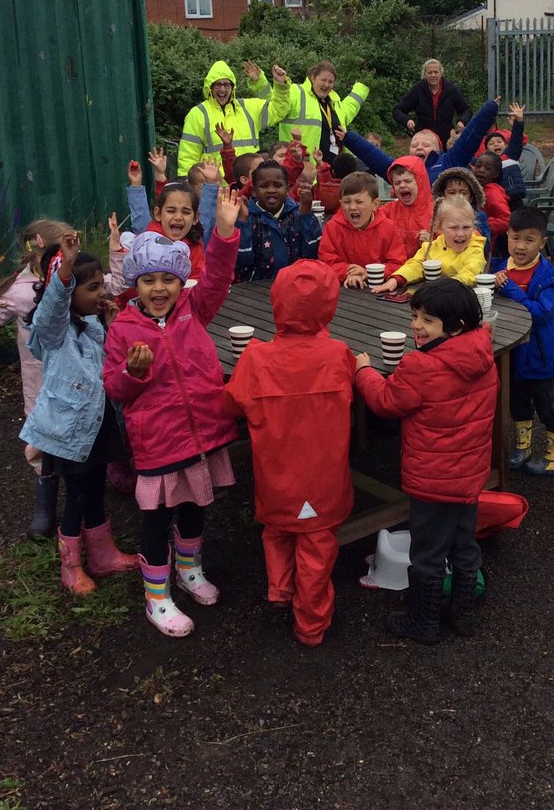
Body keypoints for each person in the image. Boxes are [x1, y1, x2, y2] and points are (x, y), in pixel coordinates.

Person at [103, 189, 242, 638]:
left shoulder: (193, 309)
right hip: (159, 443)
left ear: (181, 281)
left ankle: (190, 569)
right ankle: (157, 596)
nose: (159, 288)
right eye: (149, 281)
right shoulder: (124, 329)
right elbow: (114, 387)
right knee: (157, 519)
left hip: (201, 433)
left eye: (168, 279)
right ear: (135, 285)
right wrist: (134, 372)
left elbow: (218, 277)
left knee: (198, 507)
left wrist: (223, 231)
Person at [355, 280, 498, 644]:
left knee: (428, 549)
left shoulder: (420, 366)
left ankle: (424, 620)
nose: (417, 325)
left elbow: (387, 402)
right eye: (415, 315)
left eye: (428, 320)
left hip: (433, 479)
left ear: (456, 327)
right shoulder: (484, 355)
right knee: (465, 543)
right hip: (468, 474)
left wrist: (363, 372)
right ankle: (463, 614)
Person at [222, 262, 356, 646]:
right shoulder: (337, 354)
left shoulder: (255, 357)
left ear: (276, 303)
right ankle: (310, 626)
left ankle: (281, 589)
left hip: (276, 476)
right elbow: (349, 378)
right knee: (316, 548)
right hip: (323, 479)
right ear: (329, 306)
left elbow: (231, 404)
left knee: (278, 530)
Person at [20, 233, 136, 595]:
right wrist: (65, 270)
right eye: (92, 287)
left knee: (95, 488)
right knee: (78, 496)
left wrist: (112, 327)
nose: (101, 292)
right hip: (69, 432)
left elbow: (105, 368)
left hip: (97, 425)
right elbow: (53, 307)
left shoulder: (92, 325)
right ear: (69, 293)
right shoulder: (54, 332)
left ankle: (102, 555)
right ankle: (70, 565)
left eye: (101, 285)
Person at [0, 218, 73, 540]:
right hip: (39, 382)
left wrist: (116, 249)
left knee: (77, 430)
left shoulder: (73, 278)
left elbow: (112, 283)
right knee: (41, 441)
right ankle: (45, 508)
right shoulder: (20, 290)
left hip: (73, 375)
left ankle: (82, 498)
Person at [492, 207, 554, 475]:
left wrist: (510, 289)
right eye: (515, 238)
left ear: (542, 243)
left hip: (540, 353)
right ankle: (522, 448)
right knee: (517, 401)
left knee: (548, 403)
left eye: (529, 239)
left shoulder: (548, 278)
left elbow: (541, 313)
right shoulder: (501, 268)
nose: (520, 246)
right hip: (513, 351)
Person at [338, 97, 501, 187]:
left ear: (438, 149)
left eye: (425, 145)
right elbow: (373, 156)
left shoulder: (449, 162)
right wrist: (348, 138)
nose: (419, 147)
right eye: (414, 145)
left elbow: (469, 139)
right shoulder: (401, 168)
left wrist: (489, 109)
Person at [177, 59, 289, 177]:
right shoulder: (198, 114)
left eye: (226, 84)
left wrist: (279, 84)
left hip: (250, 184)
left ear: (232, 87)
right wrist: (187, 184)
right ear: (209, 87)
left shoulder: (248, 108)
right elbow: (188, 155)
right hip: (215, 186)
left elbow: (278, 110)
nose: (222, 89)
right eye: (217, 85)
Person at [372, 198, 487, 294]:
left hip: (463, 300)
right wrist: (396, 279)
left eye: (466, 227)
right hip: (435, 298)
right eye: (453, 228)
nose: (461, 234)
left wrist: (445, 288)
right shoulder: (432, 246)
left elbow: (470, 273)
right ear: (439, 228)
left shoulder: (475, 249)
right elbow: (415, 264)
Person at [233, 160, 322, 280]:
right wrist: (242, 223)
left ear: (287, 189)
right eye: (264, 186)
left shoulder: (297, 214)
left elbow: (314, 252)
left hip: (294, 284)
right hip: (255, 292)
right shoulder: (248, 217)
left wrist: (306, 214)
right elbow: (241, 260)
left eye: (278, 185)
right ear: (254, 191)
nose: (271, 190)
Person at [318, 171, 408, 288]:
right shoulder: (332, 227)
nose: (352, 207)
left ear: (375, 204)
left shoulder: (388, 228)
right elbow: (326, 261)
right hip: (344, 292)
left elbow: (398, 264)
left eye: (359, 202)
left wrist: (369, 273)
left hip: (381, 290)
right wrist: (349, 272)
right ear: (340, 203)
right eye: (347, 202)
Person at [277, 60, 370, 170]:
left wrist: (363, 87)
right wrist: (280, 84)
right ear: (313, 78)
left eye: (330, 82)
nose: (326, 85)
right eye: (323, 80)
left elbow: (350, 108)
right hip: (304, 170)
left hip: (334, 171)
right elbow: (278, 105)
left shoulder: (334, 101)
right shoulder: (296, 92)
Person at [392, 59, 472, 149]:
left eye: (436, 72)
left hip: (446, 140)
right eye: (430, 72)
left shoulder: (451, 90)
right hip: (423, 140)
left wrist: (462, 121)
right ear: (425, 74)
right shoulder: (418, 90)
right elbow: (398, 111)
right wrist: (407, 121)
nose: (433, 75)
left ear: (441, 73)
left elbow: (466, 110)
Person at [380, 156, 434, 258]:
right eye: (397, 183)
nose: (402, 186)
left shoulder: (438, 212)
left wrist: (432, 244)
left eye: (408, 181)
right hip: (396, 268)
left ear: (420, 182)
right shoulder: (388, 211)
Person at [431, 167, 491, 249]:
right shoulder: (436, 217)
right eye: (452, 192)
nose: (458, 196)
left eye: (463, 193)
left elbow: (486, 246)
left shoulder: (479, 216)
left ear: (471, 197)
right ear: (442, 196)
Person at [472, 153, 512, 245]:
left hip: (484, 244)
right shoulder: (475, 188)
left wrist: (482, 225)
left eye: (488, 168)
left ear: (495, 174)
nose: (481, 170)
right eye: (478, 166)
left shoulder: (492, 193)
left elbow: (507, 220)